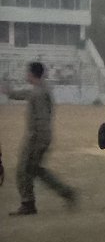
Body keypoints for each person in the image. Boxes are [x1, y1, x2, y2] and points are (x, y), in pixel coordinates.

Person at [3, 62, 76, 215]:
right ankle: (66, 192)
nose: (26, 75)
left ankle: (28, 204)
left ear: (32, 74)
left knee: (24, 170)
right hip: (40, 136)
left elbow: (42, 119)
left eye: (27, 72)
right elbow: (24, 94)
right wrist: (8, 92)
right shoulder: (39, 89)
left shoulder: (39, 93)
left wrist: (36, 140)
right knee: (36, 170)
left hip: (37, 137)